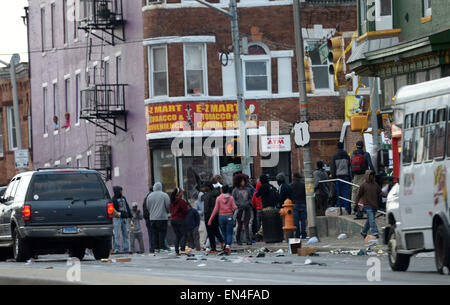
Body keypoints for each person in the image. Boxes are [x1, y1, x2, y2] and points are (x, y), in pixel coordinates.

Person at [355, 170, 387, 239]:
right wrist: (356, 204)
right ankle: (375, 233)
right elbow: (358, 195)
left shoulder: (375, 184)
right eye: (371, 175)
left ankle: (363, 232)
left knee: (369, 221)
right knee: (372, 220)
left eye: (373, 175)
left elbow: (380, 193)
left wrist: (387, 195)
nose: (373, 177)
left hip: (374, 205)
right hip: (367, 205)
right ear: (368, 176)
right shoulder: (363, 185)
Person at [208, 185, 237, 255]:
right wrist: (233, 213)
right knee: (229, 233)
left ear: (221, 190)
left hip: (221, 217)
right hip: (229, 216)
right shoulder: (231, 198)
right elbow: (235, 207)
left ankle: (224, 245)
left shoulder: (218, 198)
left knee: (224, 233)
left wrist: (210, 219)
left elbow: (215, 209)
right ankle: (227, 246)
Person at [351, 140, 375, 210]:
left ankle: (353, 206)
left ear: (356, 146)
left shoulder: (353, 154)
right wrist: (373, 174)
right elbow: (370, 165)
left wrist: (352, 176)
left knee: (355, 190)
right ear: (363, 146)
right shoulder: (366, 154)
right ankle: (365, 207)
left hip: (356, 175)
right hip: (364, 175)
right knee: (364, 190)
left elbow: (350, 166)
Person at [146, 182, 170, 253]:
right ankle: (162, 248)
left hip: (153, 218)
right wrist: (167, 212)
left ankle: (156, 248)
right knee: (162, 233)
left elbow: (148, 207)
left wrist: (152, 212)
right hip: (162, 217)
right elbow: (168, 206)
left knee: (155, 234)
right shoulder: (164, 195)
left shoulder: (149, 196)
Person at [331, 142, 353, 214]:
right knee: (346, 194)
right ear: (343, 147)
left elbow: (333, 168)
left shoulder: (334, 156)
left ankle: (339, 210)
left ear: (337, 147)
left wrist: (333, 178)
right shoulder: (347, 156)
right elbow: (350, 167)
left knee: (339, 195)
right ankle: (347, 210)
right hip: (346, 177)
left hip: (338, 178)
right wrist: (350, 177)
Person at [203, 181, 225, 254]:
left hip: (210, 215)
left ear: (208, 187)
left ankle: (213, 247)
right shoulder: (214, 193)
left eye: (204, 186)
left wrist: (209, 215)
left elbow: (210, 207)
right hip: (215, 215)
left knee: (210, 232)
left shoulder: (210, 195)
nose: (203, 188)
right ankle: (222, 242)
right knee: (215, 230)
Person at [232, 174, 253, 245]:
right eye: (242, 181)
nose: (243, 182)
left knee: (246, 224)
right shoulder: (235, 190)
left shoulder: (248, 189)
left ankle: (248, 239)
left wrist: (248, 203)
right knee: (240, 225)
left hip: (247, 209)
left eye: (244, 181)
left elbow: (250, 198)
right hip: (239, 209)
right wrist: (238, 205)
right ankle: (238, 239)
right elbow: (234, 200)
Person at [170, 188, 190, 256]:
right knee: (184, 235)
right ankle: (182, 249)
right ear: (178, 194)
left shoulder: (172, 201)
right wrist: (188, 208)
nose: (182, 194)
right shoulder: (181, 201)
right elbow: (185, 211)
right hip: (180, 219)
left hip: (173, 220)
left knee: (177, 235)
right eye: (181, 192)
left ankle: (176, 250)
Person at [112, 186, 131, 253]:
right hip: (117, 218)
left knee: (125, 234)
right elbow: (113, 210)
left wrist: (130, 215)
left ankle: (126, 248)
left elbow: (127, 206)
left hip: (124, 218)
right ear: (117, 191)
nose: (121, 192)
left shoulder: (123, 198)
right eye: (120, 190)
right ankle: (117, 248)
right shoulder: (113, 199)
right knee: (117, 234)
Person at [290, 173, 308, 239]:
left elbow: (290, 195)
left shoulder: (291, 185)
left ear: (294, 177)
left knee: (296, 221)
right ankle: (304, 235)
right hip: (303, 204)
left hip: (295, 204)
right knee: (303, 221)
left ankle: (297, 235)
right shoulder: (303, 185)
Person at [142, 187, 154, 253]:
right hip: (151, 218)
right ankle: (154, 248)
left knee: (150, 234)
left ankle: (152, 248)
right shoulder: (151, 198)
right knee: (154, 234)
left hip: (147, 218)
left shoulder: (146, 198)